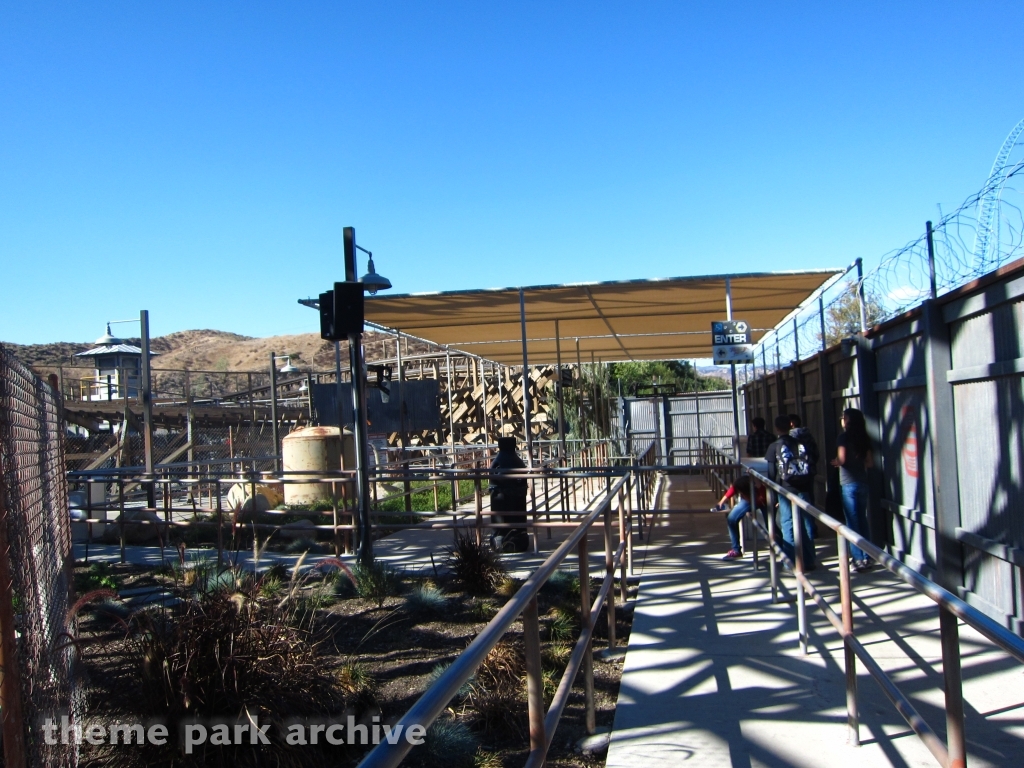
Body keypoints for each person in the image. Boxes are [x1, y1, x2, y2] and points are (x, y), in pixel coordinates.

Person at [765, 415, 817, 570]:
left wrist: (773, 496)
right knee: (807, 524)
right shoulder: (801, 444)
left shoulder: (774, 446)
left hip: (785, 490)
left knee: (787, 524)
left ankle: (792, 561)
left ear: (776, 428)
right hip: (804, 488)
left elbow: (771, 473)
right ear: (790, 426)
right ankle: (809, 560)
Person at [831, 408, 874, 572]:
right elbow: (870, 463)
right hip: (863, 481)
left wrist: (835, 462)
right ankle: (868, 557)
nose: (842, 419)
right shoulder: (864, 437)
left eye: (844, 417)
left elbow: (841, 459)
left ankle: (857, 559)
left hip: (848, 483)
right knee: (863, 520)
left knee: (852, 523)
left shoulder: (843, 437)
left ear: (847, 421)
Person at [488, 437, 530, 552]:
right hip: (515, 503)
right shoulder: (517, 462)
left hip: (499, 497)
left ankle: (499, 537)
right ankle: (517, 536)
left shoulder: (498, 462)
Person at [713, 475, 767, 560]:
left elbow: (763, 499)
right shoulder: (744, 486)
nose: (740, 493)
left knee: (771, 526)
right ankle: (736, 550)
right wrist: (722, 502)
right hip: (750, 499)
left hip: (761, 500)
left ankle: (782, 549)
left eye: (741, 492)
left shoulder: (759, 490)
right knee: (731, 519)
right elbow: (733, 489)